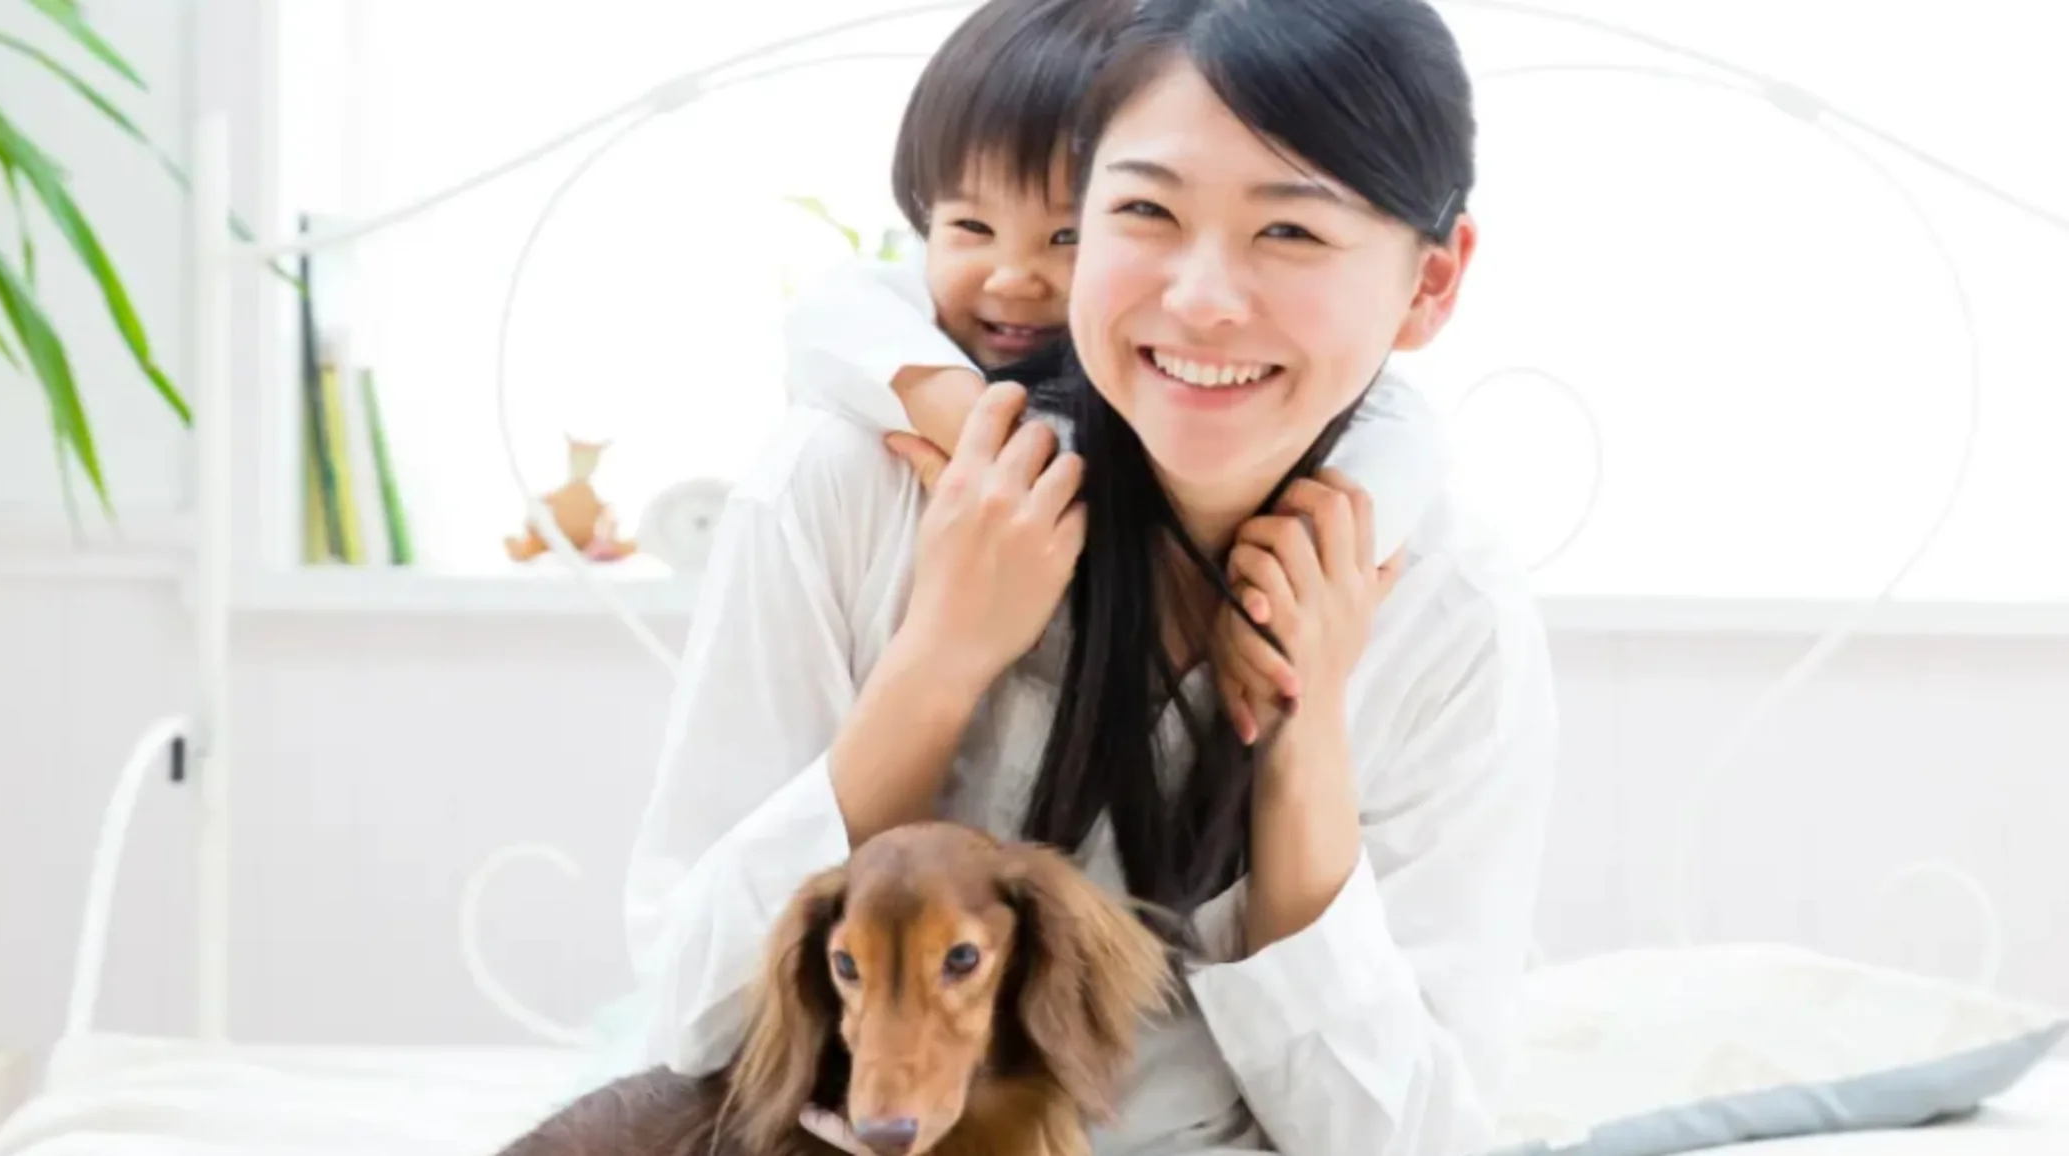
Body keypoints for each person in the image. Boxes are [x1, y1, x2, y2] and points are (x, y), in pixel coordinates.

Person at [615, 0, 1558, 1151]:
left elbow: (1411, 1140)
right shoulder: (860, 485)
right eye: (1144, 211)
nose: (1204, 297)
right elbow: (693, 1024)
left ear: (1431, 282)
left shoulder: (1443, 604)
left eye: (1292, 233)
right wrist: (937, 663)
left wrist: (1298, 747)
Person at [774, 0, 1452, 666]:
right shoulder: (855, 457)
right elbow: (837, 314)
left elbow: (1399, 427)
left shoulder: (1430, 569)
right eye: (970, 228)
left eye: (1066, 236)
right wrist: (969, 417)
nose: (1012, 277)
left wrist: (1315, 567)